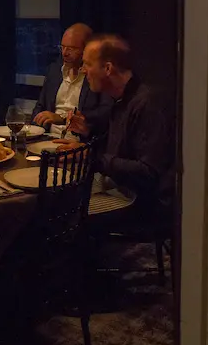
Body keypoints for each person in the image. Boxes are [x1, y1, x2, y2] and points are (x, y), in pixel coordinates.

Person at [60, 34, 173, 227]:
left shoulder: (146, 103)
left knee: (65, 214)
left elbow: (148, 173)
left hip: (140, 201)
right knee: (59, 199)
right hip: (118, 185)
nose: (83, 70)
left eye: (87, 64)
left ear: (108, 68)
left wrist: (91, 157)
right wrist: (87, 134)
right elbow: (119, 150)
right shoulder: (121, 99)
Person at [32, 23, 112, 138]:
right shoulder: (54, 70)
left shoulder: (96, 76)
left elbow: (105, 113)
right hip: (47, 137)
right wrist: (31, 133)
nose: (64, 53)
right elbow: (40, 105)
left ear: (87, 49)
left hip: (78, 143)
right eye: (62, 47)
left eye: (72, 48)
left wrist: (63, 118)